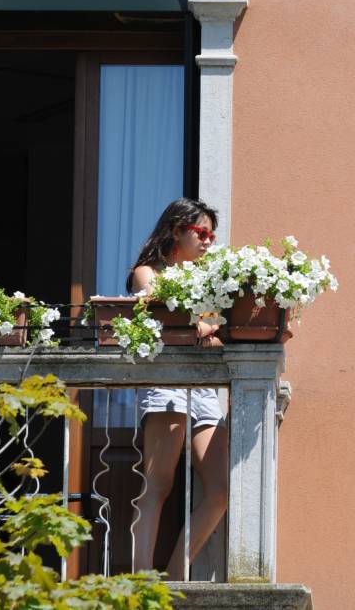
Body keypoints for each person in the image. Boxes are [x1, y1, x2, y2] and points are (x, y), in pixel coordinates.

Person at [125, 197, 227, 579]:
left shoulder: (206, 282)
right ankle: (139, 578)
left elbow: (215, 337)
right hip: (166, 381)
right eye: (201, 232)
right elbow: (158, 312)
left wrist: (199, 329)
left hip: (203, 388)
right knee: (159, 484)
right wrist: (197, 327)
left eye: (211, 236)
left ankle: (173, 576)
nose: (207, 242)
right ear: (176, 230)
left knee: (219, 492)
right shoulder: (147, 273)